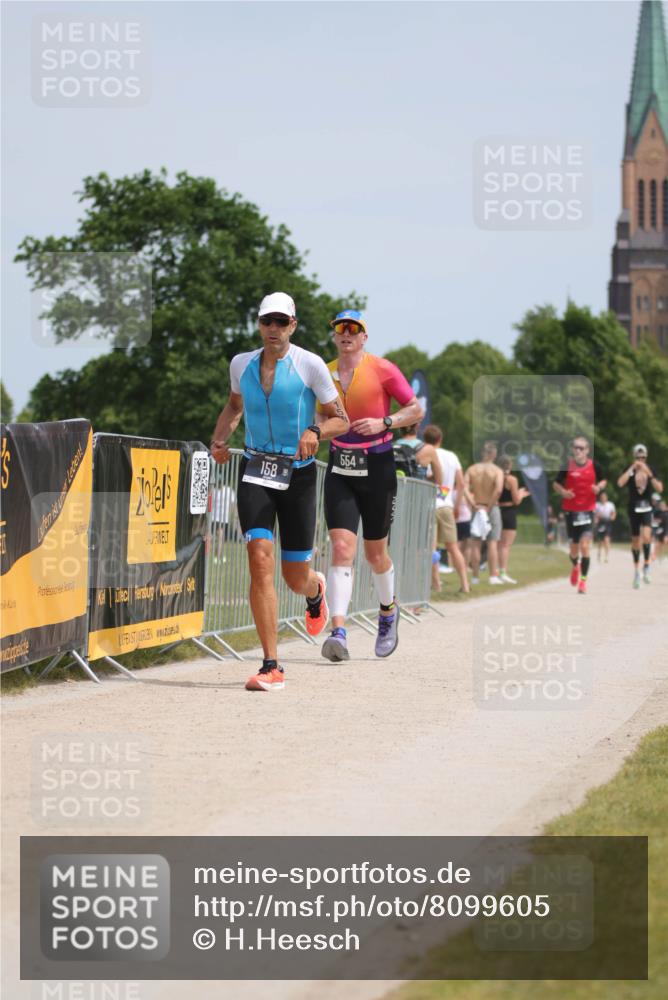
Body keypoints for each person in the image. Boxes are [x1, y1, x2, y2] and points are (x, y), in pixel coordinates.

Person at [210, 292, 349, 691]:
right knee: (258, 556)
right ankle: (272, 664)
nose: (273, 329)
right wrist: (219, 440)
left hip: (298, 476)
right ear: (259, 325)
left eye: (281, 322)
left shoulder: (311, 365)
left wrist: (315, 430)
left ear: (293, 325)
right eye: (266, 321)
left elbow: (342, 418)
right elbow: (234, 406)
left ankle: (314, 589)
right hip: (255, 469)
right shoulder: (241, 364)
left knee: (293, 577)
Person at [316, 309, 424, 662]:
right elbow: (320, 414)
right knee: (341, 548)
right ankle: (339, 632)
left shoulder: (383, 369)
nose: (346, 334)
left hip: (377, 464)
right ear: (334, 336)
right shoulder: (325, 372)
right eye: (340, 329)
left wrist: (385, 421)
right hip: (340, 465)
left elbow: (416, 409)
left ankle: (388, 611)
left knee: (375, 553)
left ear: (364, 337)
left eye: (354, 329)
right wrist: (320, 428)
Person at [553, 436, 606, 595]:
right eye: (575, 447)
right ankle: (575, 565)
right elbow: (556, 483)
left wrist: (599, 487)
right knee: (574, 550)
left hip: (588, 511)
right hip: (571, 512)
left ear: (587, 450)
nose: (578, 450)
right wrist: (563, 492)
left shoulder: (594, 465)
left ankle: (583, 581)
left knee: (585, 546)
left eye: (581, 448)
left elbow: (603, 480)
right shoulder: (567, 465)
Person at [422, 424, 470, 594]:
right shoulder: (452, 456)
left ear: (424, 440)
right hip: (447, 505)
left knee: (432, 547)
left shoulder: (426, 455)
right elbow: (462, 483)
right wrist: (457, 506)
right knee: (453, 547)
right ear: (440, 439)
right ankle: (465, 584)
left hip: (429, 505)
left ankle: (436, 585)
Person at [616, 444, 664, 587]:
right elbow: (619, 483)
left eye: (642, 457)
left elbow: (660, 488)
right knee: (636, 541)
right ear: (634, 457)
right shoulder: (630, 470)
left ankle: (647, 565)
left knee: (647, 536)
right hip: (633, 508)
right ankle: (637, 570)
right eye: (638, 457)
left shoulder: (650, 470)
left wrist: (648, 473)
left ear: (646, 457)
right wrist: (632, 469)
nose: (640, 460)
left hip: (647, 508)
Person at [465, 442, 505, 585]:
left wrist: (473, 503)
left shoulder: (472, 469)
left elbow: (464, 487)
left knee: (475, 543)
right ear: (493, 454)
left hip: (477, 508)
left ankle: (475, 577)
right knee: (492, 543)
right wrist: (489, 505)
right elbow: (498, 490)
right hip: (491, 508)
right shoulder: (497, 471)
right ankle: (493, 576)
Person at [496, 457, 530, 584]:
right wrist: (522, 493)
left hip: (497, 510)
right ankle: (503, 573)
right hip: (509, 512)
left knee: (496, 544)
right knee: (505, 546)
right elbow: (516, 500)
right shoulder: (512, 479)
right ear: (510, 466)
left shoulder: (495, 477)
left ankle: (495, 572)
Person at [594, 491, 616, 563]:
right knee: (600, 540)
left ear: (606, 498)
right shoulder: (597, 505)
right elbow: (595, 514)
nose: (603, 498)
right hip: (600, 522)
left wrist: (612, 517)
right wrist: (596, 519)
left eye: (604, 497)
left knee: (607, 539)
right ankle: (599, 553)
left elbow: (613, 513)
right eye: (602, 497)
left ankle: (606, 556)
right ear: (600, 498)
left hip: (607, 522)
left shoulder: (610, 505)